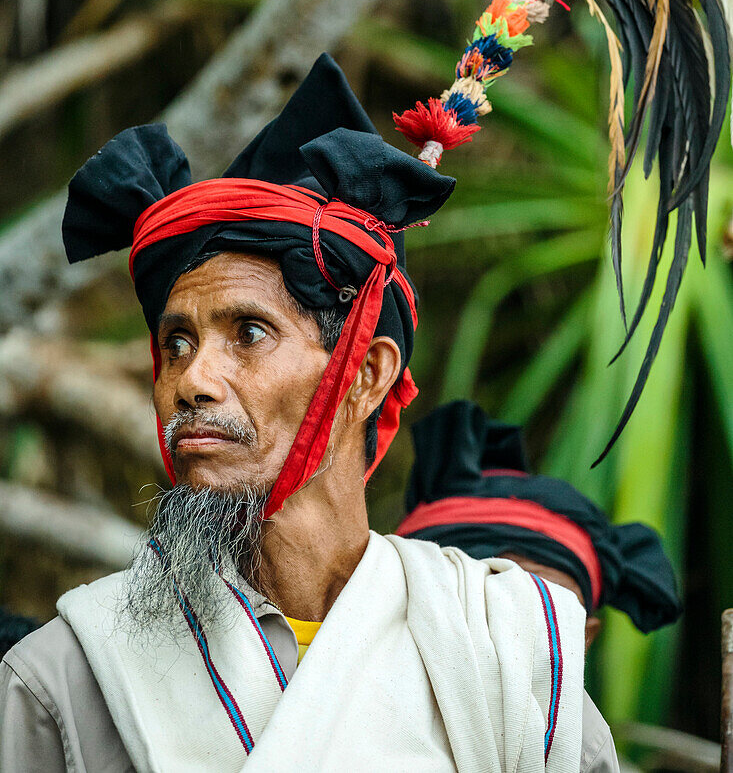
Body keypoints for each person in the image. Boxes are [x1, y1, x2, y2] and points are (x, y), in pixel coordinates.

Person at [2, 55, 592, 772]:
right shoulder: (63, 677)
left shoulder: (510, 644)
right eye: (176, 342)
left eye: (248, 333)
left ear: (366, 375)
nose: (193, 379)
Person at [395, 400, 684, 773]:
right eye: (473, 602)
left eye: (538, 611)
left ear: (584, 637)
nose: (498, 637)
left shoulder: (586, 747)